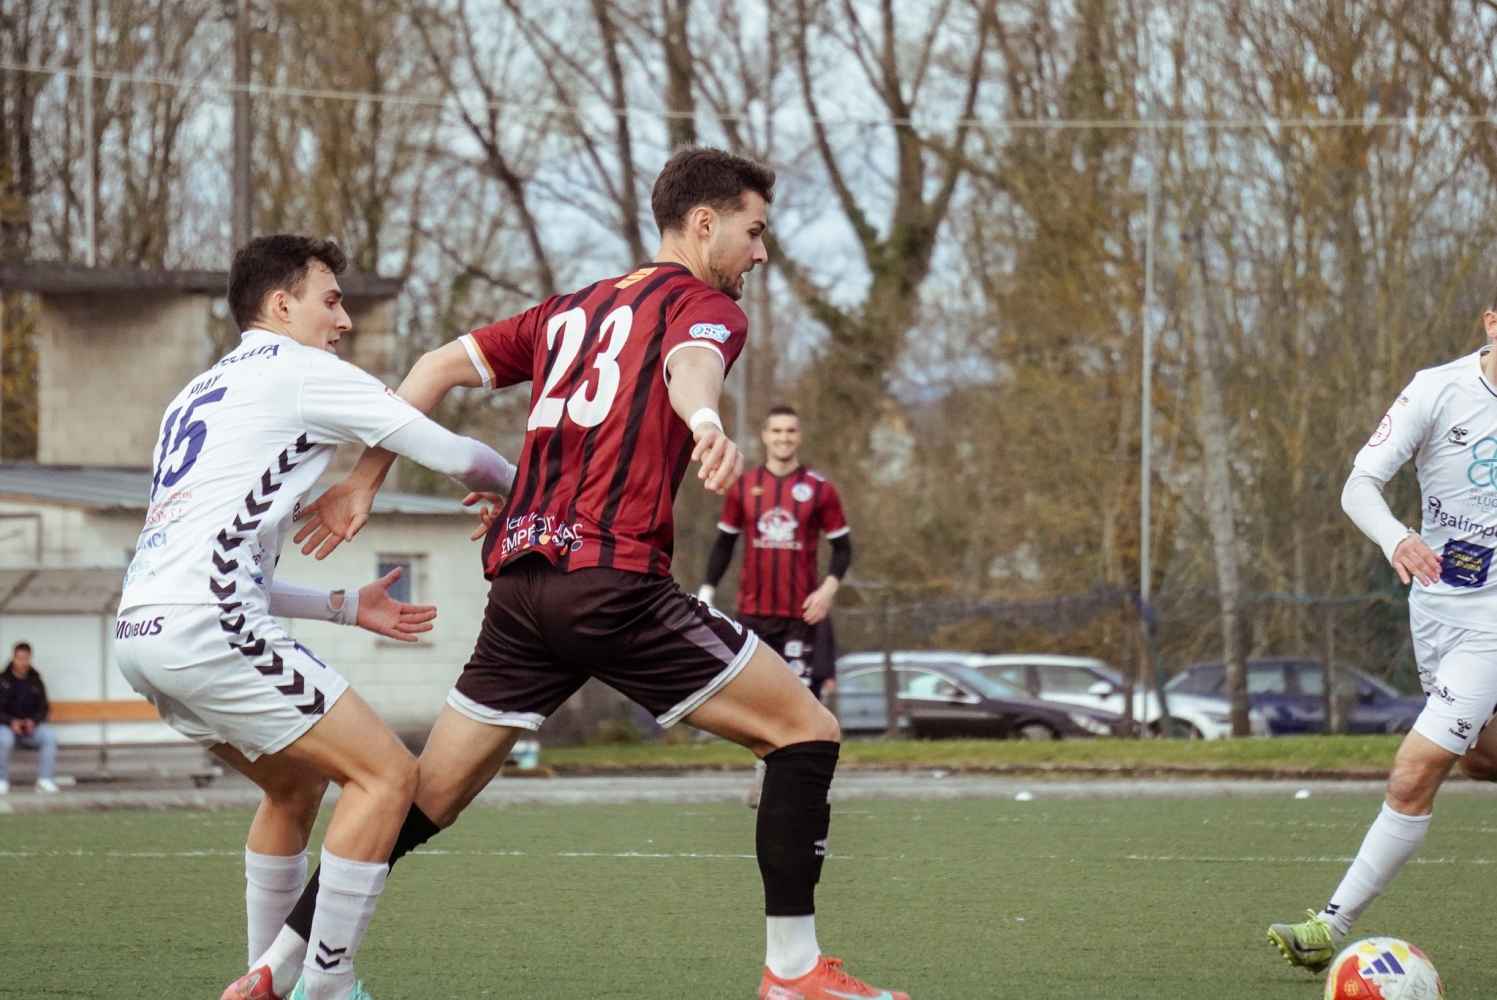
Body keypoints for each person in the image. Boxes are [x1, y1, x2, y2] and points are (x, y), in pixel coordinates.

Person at [276, 147, 907, 1000]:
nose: (760, 253)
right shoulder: (705, 304)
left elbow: (430, 368)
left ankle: (277, 964)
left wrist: (362, 481)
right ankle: (793, 972)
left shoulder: (566, 309)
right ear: (704, 224)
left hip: (522, 591)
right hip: (610, 586)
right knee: (805, 732)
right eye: (754, 232)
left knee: (425, 795)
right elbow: (691, 365)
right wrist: (706, 420)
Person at [114, 234, 516, 1000]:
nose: (342, 320)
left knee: (294, 787)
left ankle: (265, 979)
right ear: (280, 304)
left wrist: (341, 605)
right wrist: (524, 488)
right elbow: (455, 455)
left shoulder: (191, 397)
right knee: (388, 776)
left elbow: (210, 560)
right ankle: (327, 984)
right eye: (330, 301)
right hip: (207, 629)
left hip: (142, 634)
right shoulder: (301, 371)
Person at [1268, 306, 1497, 973]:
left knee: (1414, 772)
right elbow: (1359, 485)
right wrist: (1397, 537)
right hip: (1437, 611)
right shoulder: (1437, 389)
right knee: (1481, 759)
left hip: (1491, 625)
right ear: (1491, 323)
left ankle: (1327, 926)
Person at [697, 405, 852, 806]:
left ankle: (806, 788)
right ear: (765, 436)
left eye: (790, 431)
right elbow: (724, 544)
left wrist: (827, 591)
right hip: (754, 615)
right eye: (777, 431)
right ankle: (763, 770)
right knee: (757, 702)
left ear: (799, 437)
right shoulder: (744, 486)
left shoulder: (819, 489)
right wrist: (707, 591)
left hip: (801, 617)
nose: (784, 438)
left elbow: (843, 549)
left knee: (804, 703)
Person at [0, 642, 60, 794]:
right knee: (3, 739)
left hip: (30, 729)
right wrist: (11, 722)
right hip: (7, 728)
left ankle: (45, 780)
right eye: (19, 658)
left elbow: (44, 708)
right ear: (13, 658)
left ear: (30, 658)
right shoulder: (3, 680)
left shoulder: (36, 680)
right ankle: (1, 780)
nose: (23, 662)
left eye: (26, 658)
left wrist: (33, 721)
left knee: (49, 736)